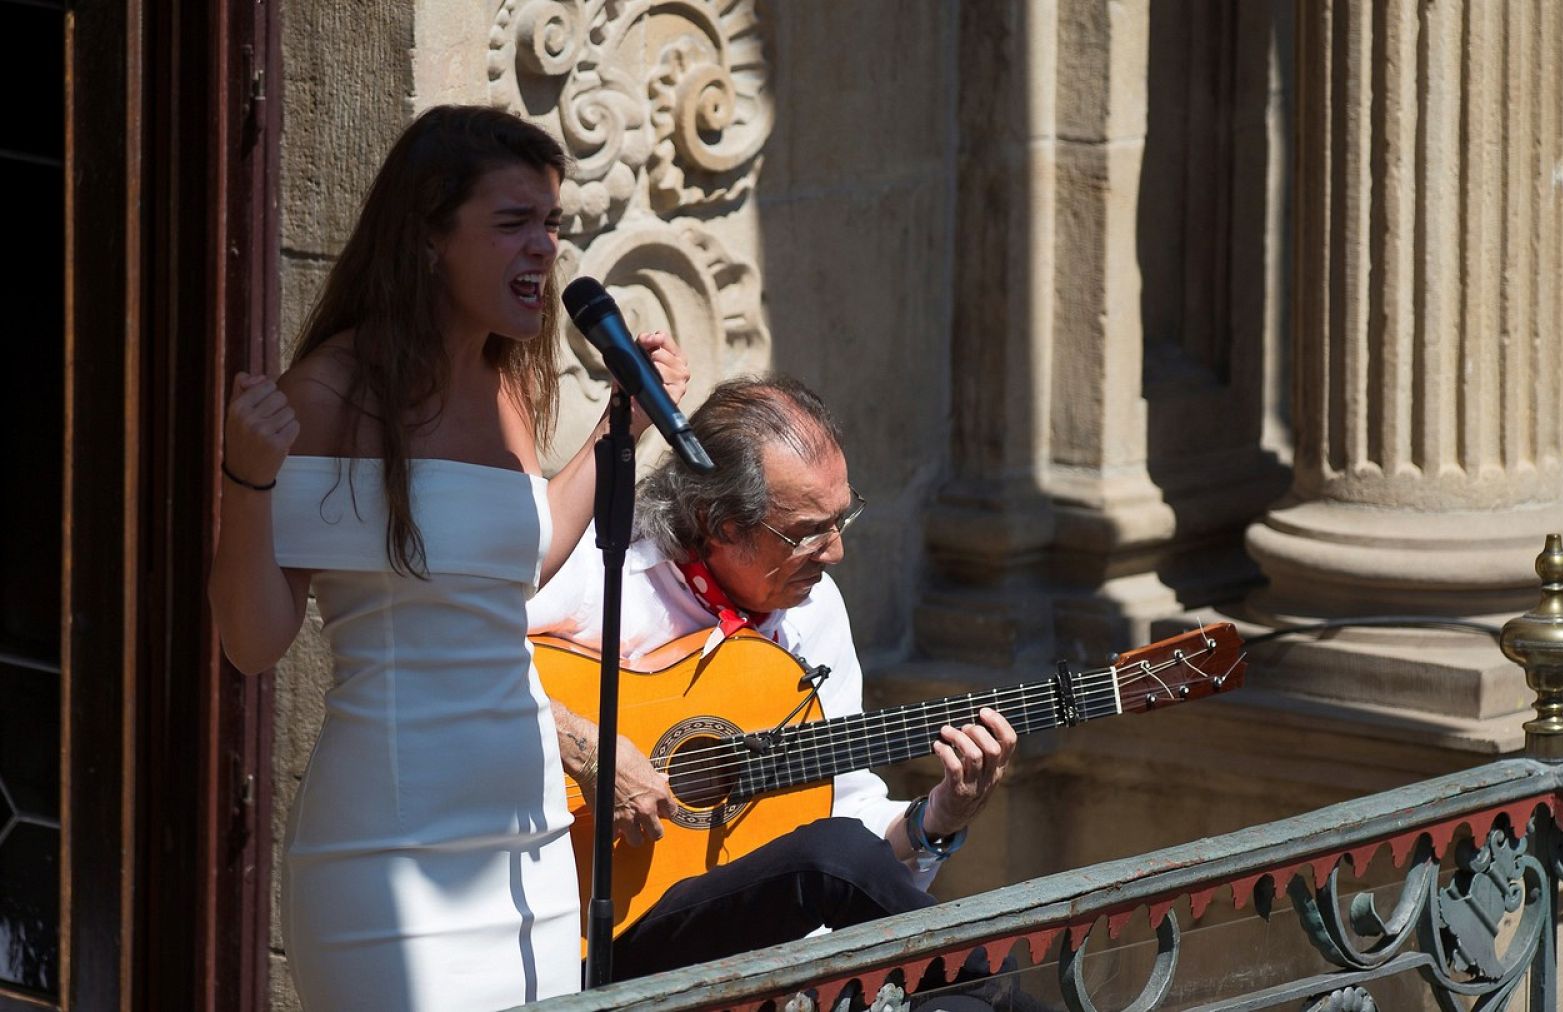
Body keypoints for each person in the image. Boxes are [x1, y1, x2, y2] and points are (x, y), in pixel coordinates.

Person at [207, 105, 688, 1011]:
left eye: (551, 224)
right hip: (387, 856)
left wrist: (616, 429)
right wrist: (245, 478)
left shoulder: (503, 382)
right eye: (513, 225)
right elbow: (252, 642)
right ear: (429, 238)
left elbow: (518, 560)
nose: (543, 248)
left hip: (530, 846)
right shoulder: (330, 392)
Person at [529, 375, 1016, 983]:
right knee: (832, 858)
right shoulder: (601, 571)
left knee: (852, 871)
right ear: (719, 522)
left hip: (738, 939)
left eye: (843, 518)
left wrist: (936, 820)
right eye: (808, 531)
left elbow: (850, 819)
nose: (835, 552)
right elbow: (459, 667)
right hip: (589, 937)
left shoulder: (812, 606)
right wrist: (589, 747)